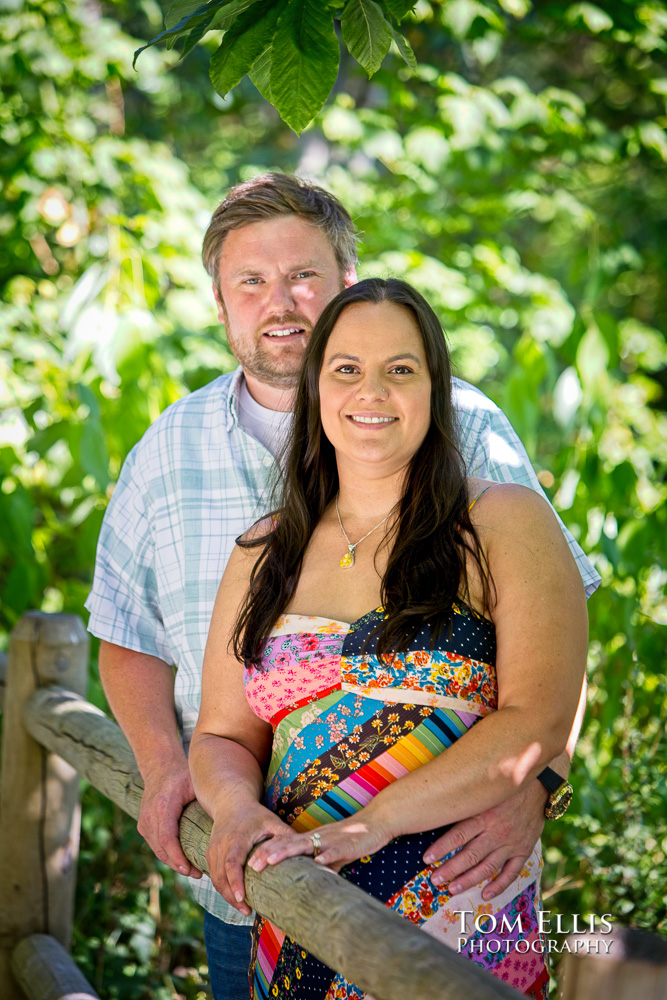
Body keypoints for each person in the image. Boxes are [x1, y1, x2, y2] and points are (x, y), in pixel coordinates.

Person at [85, 173, 599, 998]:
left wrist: (539, 782)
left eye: (304, 276)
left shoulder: (473, 444)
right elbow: (129, 635)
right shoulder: (179, 462)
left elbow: (554, 658)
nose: (279, 301)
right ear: (219, 303)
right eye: (250, 281)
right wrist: (170, 769)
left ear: (345, 287)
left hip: (456, 892)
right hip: (259, 888)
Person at [190, 278, 588, 1000]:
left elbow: (539, 719)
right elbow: (221, 734)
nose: (371, 391)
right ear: (315, 388)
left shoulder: (502, 521)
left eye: (399, 369)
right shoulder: (262, 550)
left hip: (457, 917)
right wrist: (237, 810)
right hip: (299, 913)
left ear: (435, 390)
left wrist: (369, 827)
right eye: (346, 369)